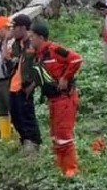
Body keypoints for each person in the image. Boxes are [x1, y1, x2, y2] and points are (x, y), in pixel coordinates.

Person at [27, 20, 84, 178]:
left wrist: (66, 77)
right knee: (55, 135)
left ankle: (71, 169)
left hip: (65, 99)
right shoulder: (38, 55)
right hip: (53, 100)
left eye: (32, 37)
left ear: (40, 37)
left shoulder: (55, 50)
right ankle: (61, 167)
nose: (30, 40)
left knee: (64, 135)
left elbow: (77, 59)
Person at [6, 14, 43, 151]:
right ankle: (25, 141)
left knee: (27, 116)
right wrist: (5, 40)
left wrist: (33, 85)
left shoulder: (33, 44)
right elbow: (8, 59)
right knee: (16, 117)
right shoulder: (17, 44)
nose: (12, 31)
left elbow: (43, 65)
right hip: (14, 86)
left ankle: (34, 143)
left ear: (22, 28)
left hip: (25, 86)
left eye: (14, 28)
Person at [0, 16, 15, 142]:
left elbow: (7, 58)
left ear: (6, 29)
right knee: (2, 111)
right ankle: (5, 138)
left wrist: (6, 40)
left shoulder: (12, 43)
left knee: (12, 109)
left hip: (8, 81)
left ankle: (16, 136)